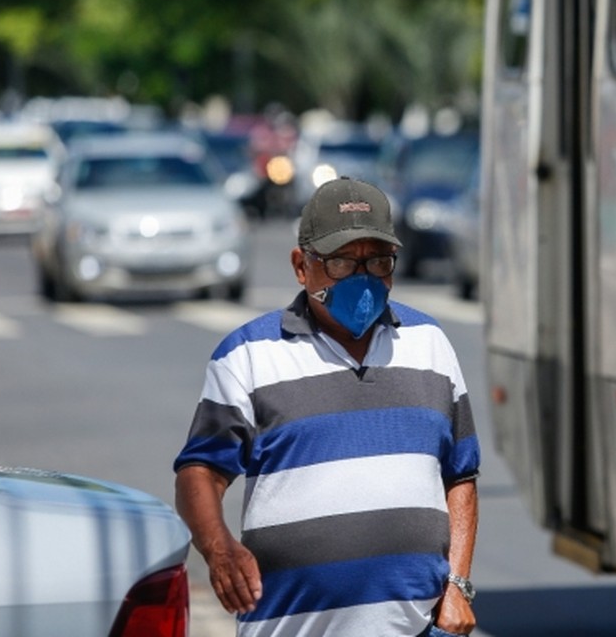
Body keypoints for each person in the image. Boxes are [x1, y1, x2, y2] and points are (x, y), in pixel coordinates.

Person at [174, 177, 480, 636]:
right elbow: (199, 472)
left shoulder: (429, 344)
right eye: (341, 262)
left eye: (377, 261)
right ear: (302, 266)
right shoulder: (249, 356)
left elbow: (460, 475)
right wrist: (219, 550)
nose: (362, 279)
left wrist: (456, 584)